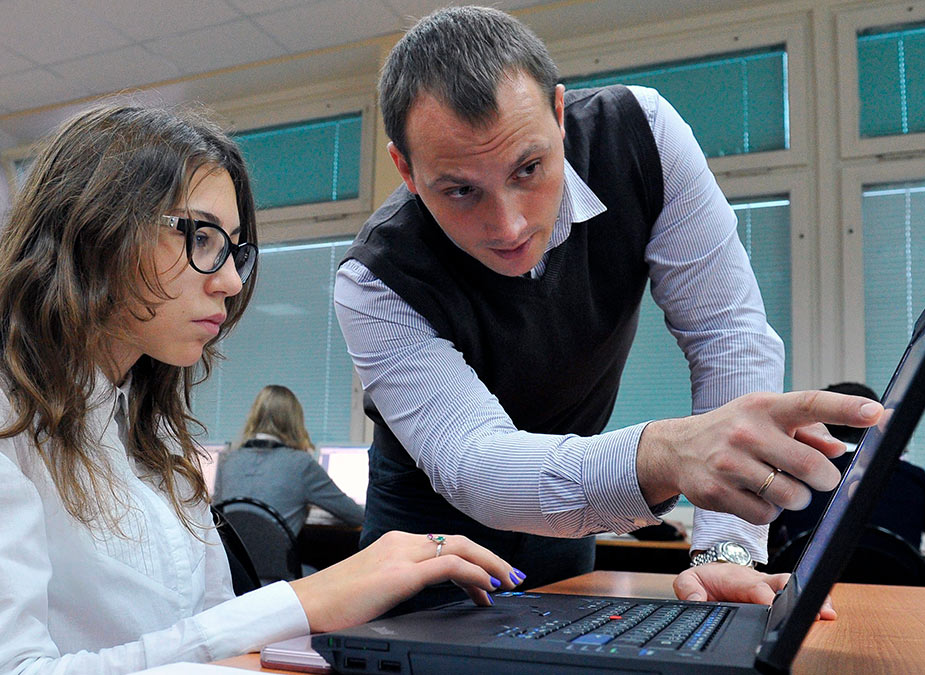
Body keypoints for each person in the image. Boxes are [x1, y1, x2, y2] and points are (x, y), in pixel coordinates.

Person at [0, 103, 523, 673]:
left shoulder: (150, 430)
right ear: (98, 228)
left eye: (234, 249)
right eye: (203, 236)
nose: (232, 281)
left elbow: (212, 636)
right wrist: (303, 600)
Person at [334, 5, 882, 612]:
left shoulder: (643, 136)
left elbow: (725, 329)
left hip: (574, 495)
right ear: (406, 170)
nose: (509, 225)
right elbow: (474, 462)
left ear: (559, 115)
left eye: (529, 168)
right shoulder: (375, 277)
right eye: (461, 189)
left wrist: (727, 550)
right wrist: (666, 453)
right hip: (426, 521)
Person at [769, 382, 925, 563]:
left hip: (810, 600)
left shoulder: (797, 474)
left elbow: (764, 540)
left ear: (817, 425)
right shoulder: (910, 477)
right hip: (900, 599)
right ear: (877, 424)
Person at [214, 384, 364, 536]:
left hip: (230, 551)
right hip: (275, 551)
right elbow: (356, 516)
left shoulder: (228, 461)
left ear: (254, 417)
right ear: (295, 422)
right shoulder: (302, 464)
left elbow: (216, 517)